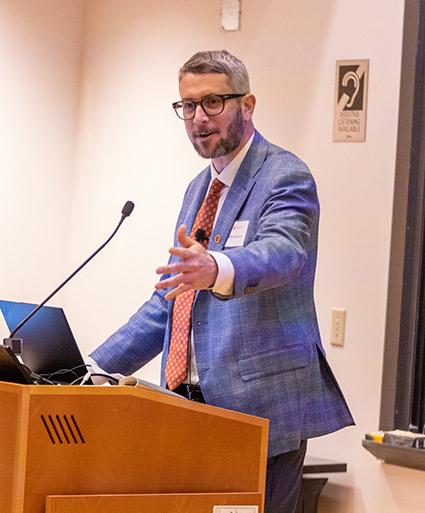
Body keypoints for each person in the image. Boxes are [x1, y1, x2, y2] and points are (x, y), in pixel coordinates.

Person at [90, 50, 354, 513]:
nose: (197, 118)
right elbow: (172, 299)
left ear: (247, 105)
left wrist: (217, 268)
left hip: (260, 413)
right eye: (187, 106)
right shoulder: (198, 188)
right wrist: (92, 369)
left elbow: (283, 253)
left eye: (213, 101)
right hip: (189, 412)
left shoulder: (284, 175)